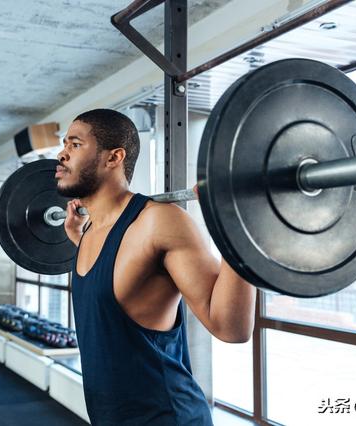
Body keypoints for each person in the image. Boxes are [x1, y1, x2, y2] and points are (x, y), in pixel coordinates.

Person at [55, 109, 256, 425]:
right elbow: (109, 295)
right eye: (65, 144)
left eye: (75, 144)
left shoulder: (160, 222)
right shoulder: (89, 233)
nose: (62, 153)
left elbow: (231, 328)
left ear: (113, 158)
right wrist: (77, 238)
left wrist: (242, 225)